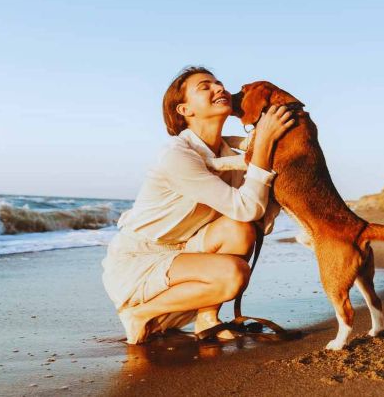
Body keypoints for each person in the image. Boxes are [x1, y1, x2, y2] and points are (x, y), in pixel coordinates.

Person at [102, 66, 294, 344]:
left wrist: (261, 143)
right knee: (234, 274)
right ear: (184, 110)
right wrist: (262, 142)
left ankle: (207, 318)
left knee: (240, 230)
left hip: (186, 251)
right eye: (205, 86)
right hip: (140, 261)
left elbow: (253, 216)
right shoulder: (176, 155)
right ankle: (140, 313)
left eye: (219, 83)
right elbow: (248, 207)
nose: (219, 88)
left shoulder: (227, 155)